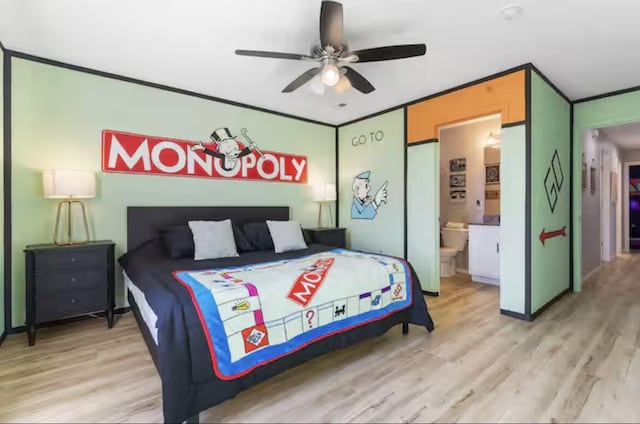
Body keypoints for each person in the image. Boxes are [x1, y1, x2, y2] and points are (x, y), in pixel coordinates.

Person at [191, 127, 256, 171]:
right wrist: (203, 148)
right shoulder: (225, 156)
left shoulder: (236, 153)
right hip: (226, 166)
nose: (232, 147)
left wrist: (251, 147)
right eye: (229, 146)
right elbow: (213, 154)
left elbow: (243, 152)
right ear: (221, 148)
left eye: (234, 145)